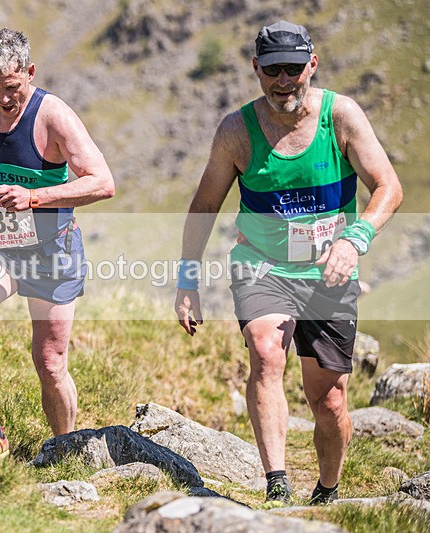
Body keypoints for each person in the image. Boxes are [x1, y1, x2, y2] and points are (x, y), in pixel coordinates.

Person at [173, 21, 402, 505]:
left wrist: (355, 239)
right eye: (272, 70)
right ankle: (276, 483)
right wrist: (187, 278)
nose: (284, 81)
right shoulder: (237, 130)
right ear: (255, 68)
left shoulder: (340, 117)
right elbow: (204, 206)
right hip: (262, 265)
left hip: (329, 272)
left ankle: (328, 490)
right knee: (265, 350)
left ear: (311, 65)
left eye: (294, 69)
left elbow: (388, 187)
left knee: (329, 399)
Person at [0, 28, 114, 457]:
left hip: (51, 251)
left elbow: (103, 183)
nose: (3, 98)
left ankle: (63, 447)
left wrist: (34, 197)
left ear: (30, 73)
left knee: (50, 363)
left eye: (12, 87)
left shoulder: (54, 117)